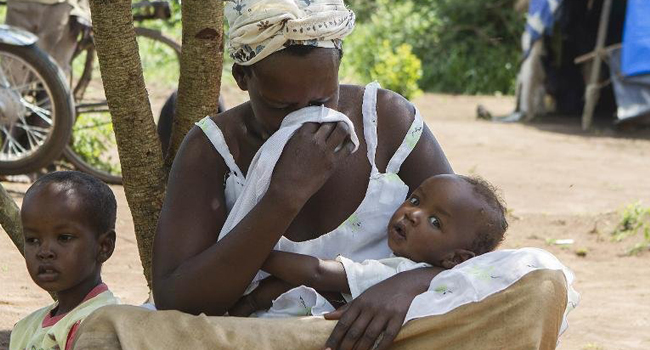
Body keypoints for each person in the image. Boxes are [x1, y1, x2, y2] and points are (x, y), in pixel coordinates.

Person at [71, 1, 577, 350]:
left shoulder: (387, 121)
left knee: (541, 282)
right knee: (116, 332)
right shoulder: (212, 150)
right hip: (266, 337)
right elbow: (180, 299)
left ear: (339, 66)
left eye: (322, 100)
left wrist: (403, 288)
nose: (307, 118)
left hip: (393, 333)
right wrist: (282, 198)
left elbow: (471, 249)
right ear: (242, 79)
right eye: (279, 105)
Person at [230, 174, 508, 317]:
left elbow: (317, 274)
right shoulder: (400, 261)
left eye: (435, 222)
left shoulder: (401, 273)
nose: (413, 214)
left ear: (456, 259)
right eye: (415, 200)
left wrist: (257, 253)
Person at [9, 171, 119, 350]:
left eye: (64, 237)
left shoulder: (102, 325)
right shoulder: (25, 328)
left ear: (104, 246)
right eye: (33, 240)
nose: (44, 251)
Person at [5, 0, 91, 76]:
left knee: (56, 70)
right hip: (20, 5)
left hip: (62, 8)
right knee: (13, 68)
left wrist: (82, 10)